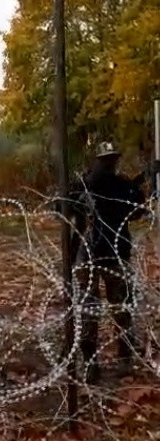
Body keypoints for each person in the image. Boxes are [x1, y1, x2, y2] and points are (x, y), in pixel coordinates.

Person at [71, 142, 148, 383]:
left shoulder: (86, 183)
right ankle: (116, 360)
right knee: (117, 308)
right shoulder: (120, 185)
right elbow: (137, 213)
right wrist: (135, 191)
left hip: (93, 255)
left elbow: (65, 210)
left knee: (94, 310)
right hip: (109, 254)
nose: (109, 164)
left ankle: (95, 363)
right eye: (109, 160)